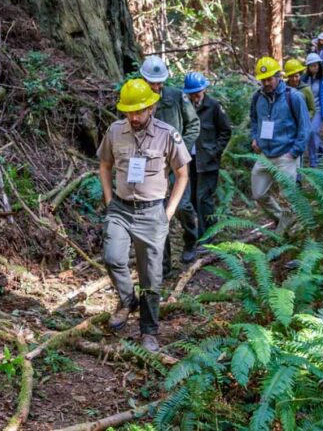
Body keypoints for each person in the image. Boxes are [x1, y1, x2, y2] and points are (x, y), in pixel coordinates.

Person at [97, 79, 192, 352]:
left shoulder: (167, 134)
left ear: (151, 107)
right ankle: (128, 300)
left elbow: (182, 173)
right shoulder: (115, 131)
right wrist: (109, 199)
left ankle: (149, 331)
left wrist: (170, 210)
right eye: (129, 111)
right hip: (121, 209)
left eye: (139, 111)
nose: (134, 117)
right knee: (113, 258)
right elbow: (104, 165)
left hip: (152, 212)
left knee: (151, 277)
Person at [139, 56, 201, 272]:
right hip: (151, 168)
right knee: (157, 212)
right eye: (152, 83)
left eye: (159, 82)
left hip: (177, 165)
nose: (156, 87)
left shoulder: (176, 96)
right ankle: (163, 264)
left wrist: (181, 150)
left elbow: (193, 124)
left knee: (183, 206)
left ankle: (191, 240)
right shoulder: (137, 99)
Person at [182, 72, 232, 248]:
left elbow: (225, 131)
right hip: (190, 161)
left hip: (208, 161)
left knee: (204, 198)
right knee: (194, 199)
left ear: (204, 89)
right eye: (191, 93)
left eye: (198, 92)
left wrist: (215, 151)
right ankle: (207, 229)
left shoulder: (214, 106)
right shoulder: (185, 106)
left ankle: (206, 239)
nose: (195, 96)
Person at [249, 57, 310, 196]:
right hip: (265, 154)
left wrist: (294, 152)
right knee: (258, 195)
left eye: (269, 79)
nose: (266, 83)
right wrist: (254, 137)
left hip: (286, 154)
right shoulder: (257, 97)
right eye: (263, 80)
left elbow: (305, 127)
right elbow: (253, 119)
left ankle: (286, 218)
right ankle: (278, 217)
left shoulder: (294, 96)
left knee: (287, 200)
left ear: (277, 76)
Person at [302, 54, 323, 167]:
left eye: (315, 65)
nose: (314, 68)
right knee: (311, 133)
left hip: (319, 110)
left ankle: (313, 160)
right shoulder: (304, 80)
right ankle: (322, 149)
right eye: (311, 66)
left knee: (312, 131)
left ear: (319, 66)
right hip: (307, 111)